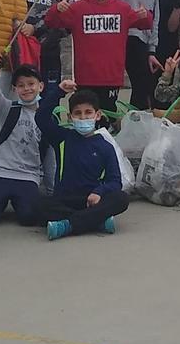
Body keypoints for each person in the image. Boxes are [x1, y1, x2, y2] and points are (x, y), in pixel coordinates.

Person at [44, 0, 153, 114]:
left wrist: (145, 14)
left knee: (108, 118)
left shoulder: (122, 8)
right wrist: (57, 9)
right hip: (85, 77)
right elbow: (51, 22)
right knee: (85, 115)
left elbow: (145, 24)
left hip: (111, 77)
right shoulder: (78, 8)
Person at [40, 90, 132, 240]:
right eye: (78, 113)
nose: (83, 117)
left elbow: (115, 181)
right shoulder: (62, 138)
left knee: (121, 198)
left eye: (88, 112)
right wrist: (59, 92)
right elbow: (41, 118)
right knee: (37, 205)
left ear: (97, 115)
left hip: (92, 201)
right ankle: (95, 221)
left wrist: (99, 192)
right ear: (70, 117)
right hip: (66, 200)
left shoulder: (105, 146)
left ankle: (67, 225)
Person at [0, 64, 55, 226]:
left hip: (28, 176)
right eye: (21, 85)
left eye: (31, 84)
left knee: (29, 218)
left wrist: (52, 191)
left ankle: (17, 201)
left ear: (41, 86)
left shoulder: (46, 118)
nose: (26, 89)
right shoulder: (8, 109)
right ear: (14, 89)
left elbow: (49, 158)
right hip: (0, 172)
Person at [116, 0, 165, 111]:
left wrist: (152, 50)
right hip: (121, 38)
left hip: (142, 41)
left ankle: (134, 125)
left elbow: (156, 18)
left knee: (142, 88)